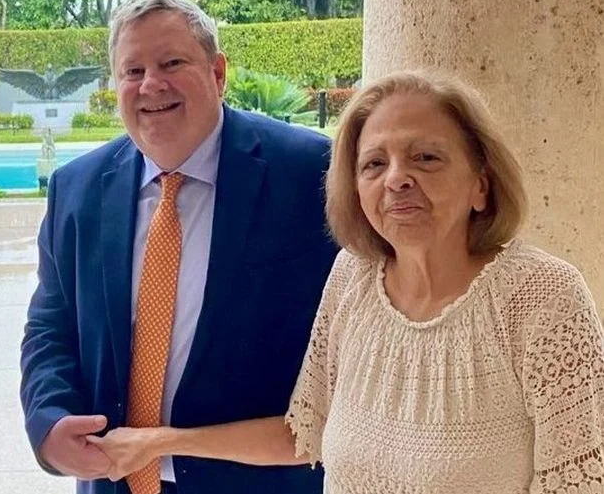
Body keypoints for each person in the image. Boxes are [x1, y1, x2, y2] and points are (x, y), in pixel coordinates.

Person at [88, 70, 604, 494]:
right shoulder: (353, 280)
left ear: (481, 185)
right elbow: (303, 435)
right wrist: (162, 442)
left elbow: (581, 482)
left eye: (426, 157)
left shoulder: (544, 298)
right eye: (374, 163)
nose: (397, 178)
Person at [19, 0, 338, 494]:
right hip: (116, 481)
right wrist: (48, 420)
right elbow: (50, 326)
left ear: (217, 73)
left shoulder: (308, 174)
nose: (151, 84)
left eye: (172, 62)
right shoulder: (76, 189)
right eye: (132, 71)